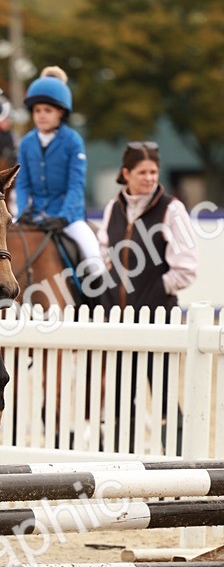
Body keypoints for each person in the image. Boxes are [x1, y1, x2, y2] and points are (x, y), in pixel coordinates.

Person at [98, 141, 198, 451]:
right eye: (143, 172)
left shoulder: (172, 208)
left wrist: (155, 292)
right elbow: (105, 254)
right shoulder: (113, 208)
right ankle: (118, 455)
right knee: (119, 393)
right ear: (126, 173)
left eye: (154, 171)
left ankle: (179, 461)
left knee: (166, 392)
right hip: (118, 318)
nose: (150, 177)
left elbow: (187, 267)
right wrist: (113, 291)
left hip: (159, 317)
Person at [15, 66, 105, 296]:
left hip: (68, 217)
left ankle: (100, 307)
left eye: (47, 110)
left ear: (61, 113)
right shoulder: (26, 143)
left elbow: (76, 185)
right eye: (37, 110)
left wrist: (64, 216)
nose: (41, 115)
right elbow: (22, 182)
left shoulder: (72, 141)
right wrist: (23, 209)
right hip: (33, 214)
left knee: (94, 260)